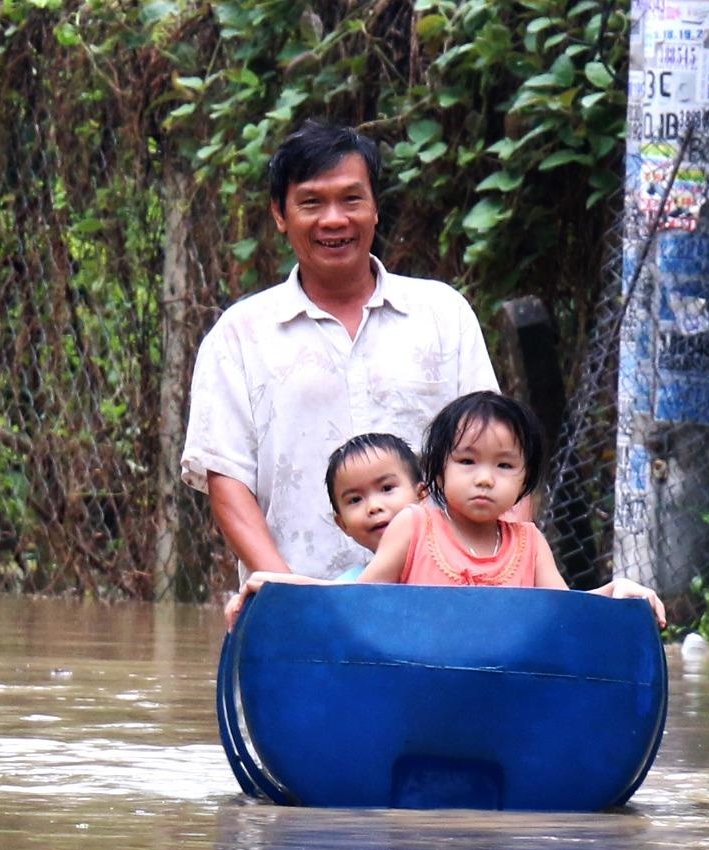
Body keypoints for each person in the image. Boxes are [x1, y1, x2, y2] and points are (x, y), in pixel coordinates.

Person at [181, 120, 499, 583]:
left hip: (440, 601)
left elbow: (496, 453)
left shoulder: (443, 315)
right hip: (300, 600)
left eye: (351, 199)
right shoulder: (238, 336)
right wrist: (292, 596)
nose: (334, 219)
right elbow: (227, 482)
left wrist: (492, 579)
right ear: (280, 214)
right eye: (311, 202)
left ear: (375, 208)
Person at [231, 392, 666, 627]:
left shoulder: (530, 543)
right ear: (437, 472)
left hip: (498, 694)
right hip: (413, 687)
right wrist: (281, 585)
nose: (484, 478)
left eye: (504, 466)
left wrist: (616, 592)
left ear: (524, 482)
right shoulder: (414, 524)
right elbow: (354, 600)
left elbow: (566, 611)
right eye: (467, 461)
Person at [324, 432, 426, 579]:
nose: (373, 507)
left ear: (421, 495)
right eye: (355, 500)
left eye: (387, 488)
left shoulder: (454, 565)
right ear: (343, 524)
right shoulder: (348, 586)